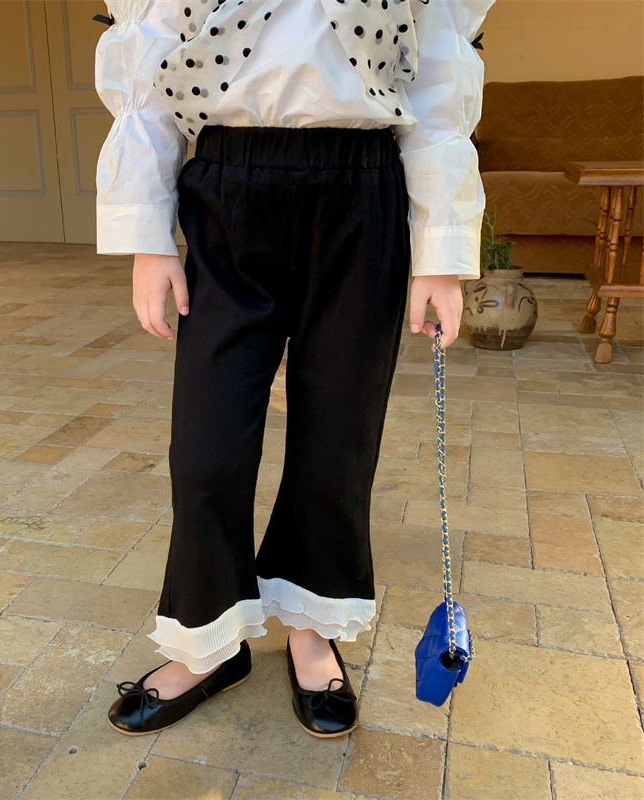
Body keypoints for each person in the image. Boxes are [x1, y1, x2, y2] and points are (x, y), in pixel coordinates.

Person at [95, 0, 493, 738]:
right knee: (206, 452)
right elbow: (147, 62)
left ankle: (311, 631)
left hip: (362, 190)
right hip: (227, 189)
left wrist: (440, 247)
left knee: (337, 442)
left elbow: (437, 71)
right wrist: (147, 237)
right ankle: (208, 643)